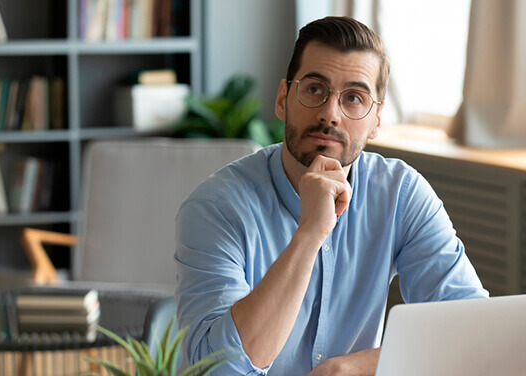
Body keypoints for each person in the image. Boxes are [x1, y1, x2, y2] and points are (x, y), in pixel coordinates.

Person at [175, 16, 488, 376]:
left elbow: (471, 328)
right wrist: (309, 234)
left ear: (376, 121)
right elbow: (218, 371)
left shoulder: (401, 194)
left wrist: (351, 368)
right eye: (314, 89)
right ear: (282, 100)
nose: (330, 114)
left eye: (354, 98)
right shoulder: (215, 208)